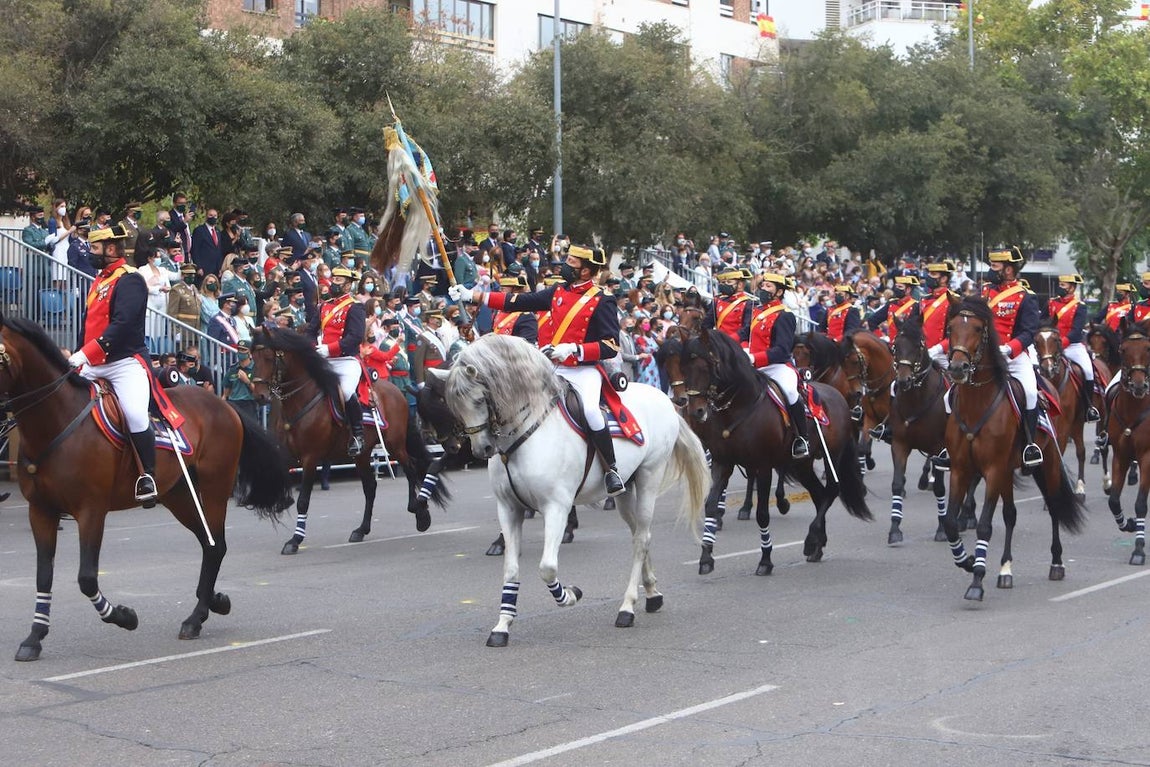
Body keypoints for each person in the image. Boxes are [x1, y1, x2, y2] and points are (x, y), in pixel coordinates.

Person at [452, 244, 625, 496]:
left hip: (583, 369)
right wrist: (474, 296)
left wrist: (576, 350)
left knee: (591, 412)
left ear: (586, 272)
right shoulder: (556, 292)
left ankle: (611, 469)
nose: (566, 265)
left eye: (572, 263)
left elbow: (610, 345)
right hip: (553, 367)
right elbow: (516, 301)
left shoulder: (603, 299)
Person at [67, 224, 158, 504]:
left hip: (124, 362)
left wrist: (85, 354)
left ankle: (148, 475)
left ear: (110, 248)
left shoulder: (130, 279)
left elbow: (122, 325)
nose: (90, 253)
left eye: (94, 248)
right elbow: (90, 325)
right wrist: (79, 352)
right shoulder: (100, 280)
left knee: (134, 414)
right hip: (93, 360)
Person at [937, 248, 1042, 470]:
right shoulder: (983, 293)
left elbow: (1029, 331)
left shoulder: (1025, 296)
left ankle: (1029, 445)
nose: (991, 269)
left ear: (1009, 269)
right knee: (949, 397)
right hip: (985, 357)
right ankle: (949, 447)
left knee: (1031, 393)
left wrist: (1010, 348)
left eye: (995, 266)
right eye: (991, 265)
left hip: (1014, 357)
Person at [747, 272, 809, 459]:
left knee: (790, 393)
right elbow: (744, 334)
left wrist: (754, 358)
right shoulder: (756, 312)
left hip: (777, 366)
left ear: (779, 292)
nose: (763, 289)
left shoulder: (785, 315)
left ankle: (801, 438)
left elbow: (782, 350)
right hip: (752, 363)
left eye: (768, 287)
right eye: (762, 285)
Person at [309, 266, 367, 456]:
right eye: (334, 279)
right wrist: (310, 348)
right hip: (323, 359)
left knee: (347, 392)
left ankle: (357, 434)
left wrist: (330, 348)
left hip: (346, 360)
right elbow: (311, 330)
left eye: (339, 281)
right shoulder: (324, 306)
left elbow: (355, 337)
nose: (334, 283)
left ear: (348, 285)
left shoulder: (355, 307)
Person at [1045, 273, 1099, 422]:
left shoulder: (1079, 307)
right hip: (1050, 345)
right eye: (1060, 284)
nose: (1060, 287)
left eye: (1063, 285)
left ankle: (1088, 407)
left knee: (1088, 371)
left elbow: (1076, 331)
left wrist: (1061, 344)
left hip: (1072, 346)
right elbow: (1042, 321)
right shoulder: (1051, 303)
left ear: (1072, 287)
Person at [705, 268, 754, 343]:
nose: (724, 285)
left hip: (737, 344)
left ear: (740, 285)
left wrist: (729, 341)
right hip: (718, 342)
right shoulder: (717, 300)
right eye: (722, 282)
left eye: (728, 282)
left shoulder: (748, 303)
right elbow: (707, 323)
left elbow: (747, 329)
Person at [866, 275, 919, 342]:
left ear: (908, 290)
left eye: (900, 287)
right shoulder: (891, 304)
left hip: (907, 347)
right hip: (891, 345)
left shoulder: (915, 306)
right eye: (896, 286)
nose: (896, 289)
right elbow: (872, 321)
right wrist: (881, 337)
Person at [490, 272, 538, 344]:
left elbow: (527, 344)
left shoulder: (526, 316)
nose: (500, 291)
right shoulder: (499, 311)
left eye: (503, 289)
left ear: (515, 291)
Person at [223, 339, 259, 421]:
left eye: (243, 350)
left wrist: (247, 381)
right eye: (239, 349)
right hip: (233, 403)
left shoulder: (256, 368)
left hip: (248, 404)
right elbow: (226, 392)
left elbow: (258, 391)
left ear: (250, 352)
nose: (240, 352)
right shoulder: (233, 369)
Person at [190, 207, 224, 277]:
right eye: (210, 215)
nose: (213, 217)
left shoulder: (218, 231)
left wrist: (220, 267)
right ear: (206, 217)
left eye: (215, 216)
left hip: (216, 269)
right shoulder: (199, 230)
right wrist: (198, 267)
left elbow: (219, 250)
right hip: (204, 268)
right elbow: (195, 250)